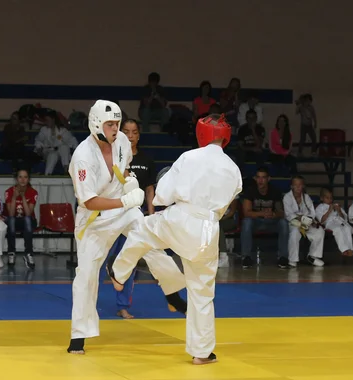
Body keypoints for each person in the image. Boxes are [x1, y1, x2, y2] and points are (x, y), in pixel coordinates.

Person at [110, 113, 242, 365]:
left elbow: (162, 194)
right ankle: (202, 352)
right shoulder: (233, 169)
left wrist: (161, 202)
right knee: (202, 293)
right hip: (208, 231)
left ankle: (119, 273)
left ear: (202, 134)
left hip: (181, 219)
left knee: (142, 229)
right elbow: (226, 206)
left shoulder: (189, 157)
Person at [67, 100, 187, 355]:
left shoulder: (121, 140)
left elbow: (125, 166)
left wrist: (130, 181)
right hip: (94, 219)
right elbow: (87, 200)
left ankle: (173, 293)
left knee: (149, 238)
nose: (115, 129)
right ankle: (79, 336)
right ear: (96, 123)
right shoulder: (82, 156)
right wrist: (123, 200)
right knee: (86, 276)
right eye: (110, 124)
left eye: (117, 123)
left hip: (123, 209)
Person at [99, 119, 157, 319]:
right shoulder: (112, 157)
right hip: (111, 213)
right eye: (126, 131)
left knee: (129, 259)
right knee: (101, 259)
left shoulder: (147, 161)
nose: (130, 135)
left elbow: (149, 190)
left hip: (134, 214)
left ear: (138, 135)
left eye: (134, 132)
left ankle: (123, 305)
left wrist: (151, 214)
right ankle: (89, 302)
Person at [240, 167, 289, 269]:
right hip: (256, 222)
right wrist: (262, 213)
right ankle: (246, 257)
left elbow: (281, 212)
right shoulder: (250, 191)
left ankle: (283, 257)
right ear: (255, 179)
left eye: (263, 178)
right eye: (258, 177)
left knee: (283, 223)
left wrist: (274, 214)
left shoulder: (275, 191)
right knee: (246, 222)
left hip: (271, 222)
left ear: (268, 179)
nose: (260, 180)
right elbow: (246, 213)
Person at [283, 176, 325, 267]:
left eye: (300, 185)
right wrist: (301, 219)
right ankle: (292, 260)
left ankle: (312, 256)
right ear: (291, 186)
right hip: (293, 223)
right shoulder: (287, 197)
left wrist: (308, 220)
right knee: (295, 233)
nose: (298, 187)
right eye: (295, 185)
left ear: (303, 186)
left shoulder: (306, 197)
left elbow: (312, 213)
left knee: (320, 231)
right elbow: (289, 215)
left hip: (306, 222)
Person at [4, 169, 38, 269]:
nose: (23, 180)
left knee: (27, 219)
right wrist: (14, 197)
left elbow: (28, 213)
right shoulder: (9, 191)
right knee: (11, 220)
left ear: (28, 179)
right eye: (20, 177)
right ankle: (11, 253)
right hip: (13, 220)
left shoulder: (33, 192)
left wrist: (23, 197)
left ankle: (29, 253)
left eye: (25, 177)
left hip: (29, 221)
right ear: (16, 179)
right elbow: (10, 213)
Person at [34, 111, 79, 175]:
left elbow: (72, 140)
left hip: (61, 154)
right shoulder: (44, 130)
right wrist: (39, 147)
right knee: (53, 155)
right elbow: (38, 139)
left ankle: (66, 168)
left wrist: (77, 151)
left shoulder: (62, 130)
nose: (46, 122)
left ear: (53, 120)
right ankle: (47, 174)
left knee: (64, 147)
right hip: (48, 152)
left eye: (48, 120)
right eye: (45, 120)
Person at [315, 188, 353, 256]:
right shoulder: (320, 207)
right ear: (321, 198)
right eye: (327, 198)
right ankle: (344, 249)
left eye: (331, 198)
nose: (330, 200)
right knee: (337, 229)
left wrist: (339, 211)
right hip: (330, 223)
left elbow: (344, 218)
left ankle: (349, 248)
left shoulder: (336, 205)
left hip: (340, 221)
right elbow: (321, 220)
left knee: (347, 228)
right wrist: (329, 211)